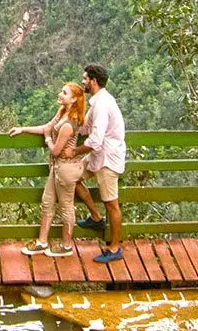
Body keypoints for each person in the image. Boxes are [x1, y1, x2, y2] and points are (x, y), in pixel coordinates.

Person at [9, 83, 87, 257]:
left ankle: (66, 246)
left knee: (66, 206)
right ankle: (42, 242)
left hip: (66, 169)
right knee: (47, 201)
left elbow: (55, 150)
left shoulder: (69, 123)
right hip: (57, 167)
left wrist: (46, 140)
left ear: (74, 99)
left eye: (64, 93)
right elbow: (47, 128)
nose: (60, 94)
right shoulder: (61, 113)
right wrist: (23, 129)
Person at [73, 63, 127, 263]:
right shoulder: (97, 102)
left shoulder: (103, 105)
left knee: (111, 204)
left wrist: (74, 151)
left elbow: (94, 140)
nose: (83, 82)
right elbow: (85, 128)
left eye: (85, 79)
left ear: (93, 81)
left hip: (107, 159)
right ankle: (96, 218)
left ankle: (114, 248)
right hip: (97, 155)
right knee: (73, 177)